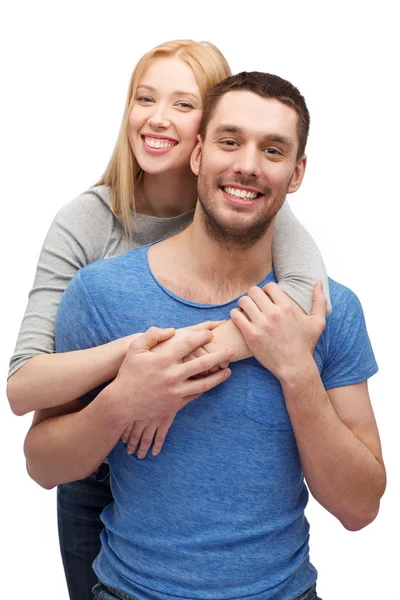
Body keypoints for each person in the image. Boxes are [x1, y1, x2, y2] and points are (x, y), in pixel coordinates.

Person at [24, 70, 386, 600]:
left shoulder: (328, 309)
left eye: (273, 150)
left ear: (297, 172)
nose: (246, 165)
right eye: (230, 141)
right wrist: (122, 401)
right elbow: (40, 465)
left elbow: (361, 508)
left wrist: (296, 369)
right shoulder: (98, 293)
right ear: (197, 155)